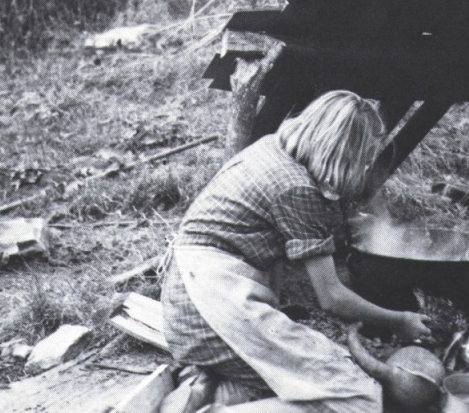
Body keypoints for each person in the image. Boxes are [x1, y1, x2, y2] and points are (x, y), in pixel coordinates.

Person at [160, 90, 432, 413]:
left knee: (306, 370)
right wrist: (399, 320)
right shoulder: (296, 188)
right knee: (358, 397)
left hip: (191, 297)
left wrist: (274, 323)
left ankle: (205, 389)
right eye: (363, 160)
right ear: (342, 153)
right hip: (206, 310)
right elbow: (332, 298)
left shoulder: (272, 148)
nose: (364, 168)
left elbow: (272, 255)